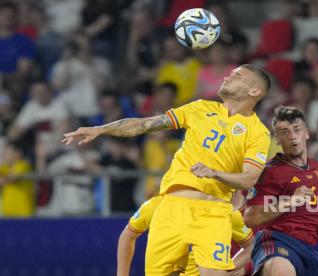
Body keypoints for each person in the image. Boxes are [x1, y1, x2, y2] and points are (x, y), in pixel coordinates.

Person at [63, 64, 271, 276]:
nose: (228, 76)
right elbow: (145, 125)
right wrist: (101, 129)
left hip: (214, 213)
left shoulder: (258, 133)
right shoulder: (199, 108)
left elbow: (249, 179)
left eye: (237, 76)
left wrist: (215, 173)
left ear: (255, 91)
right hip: (170, 208)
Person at [244, 106, 318, 276]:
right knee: (281, 270)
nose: (292, 136)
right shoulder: (270, 172)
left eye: (297, 129)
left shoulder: (317, 168)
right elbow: (251, 218)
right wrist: (289, 201)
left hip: (308, 248)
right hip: (277, 241)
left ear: (307, 133)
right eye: (284, 132)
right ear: (277, 139)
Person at [117, 193, 254, 276]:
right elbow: (127, 236)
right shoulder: (156, 205)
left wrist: (232, 268)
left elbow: (252, 244)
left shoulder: (225, 213)